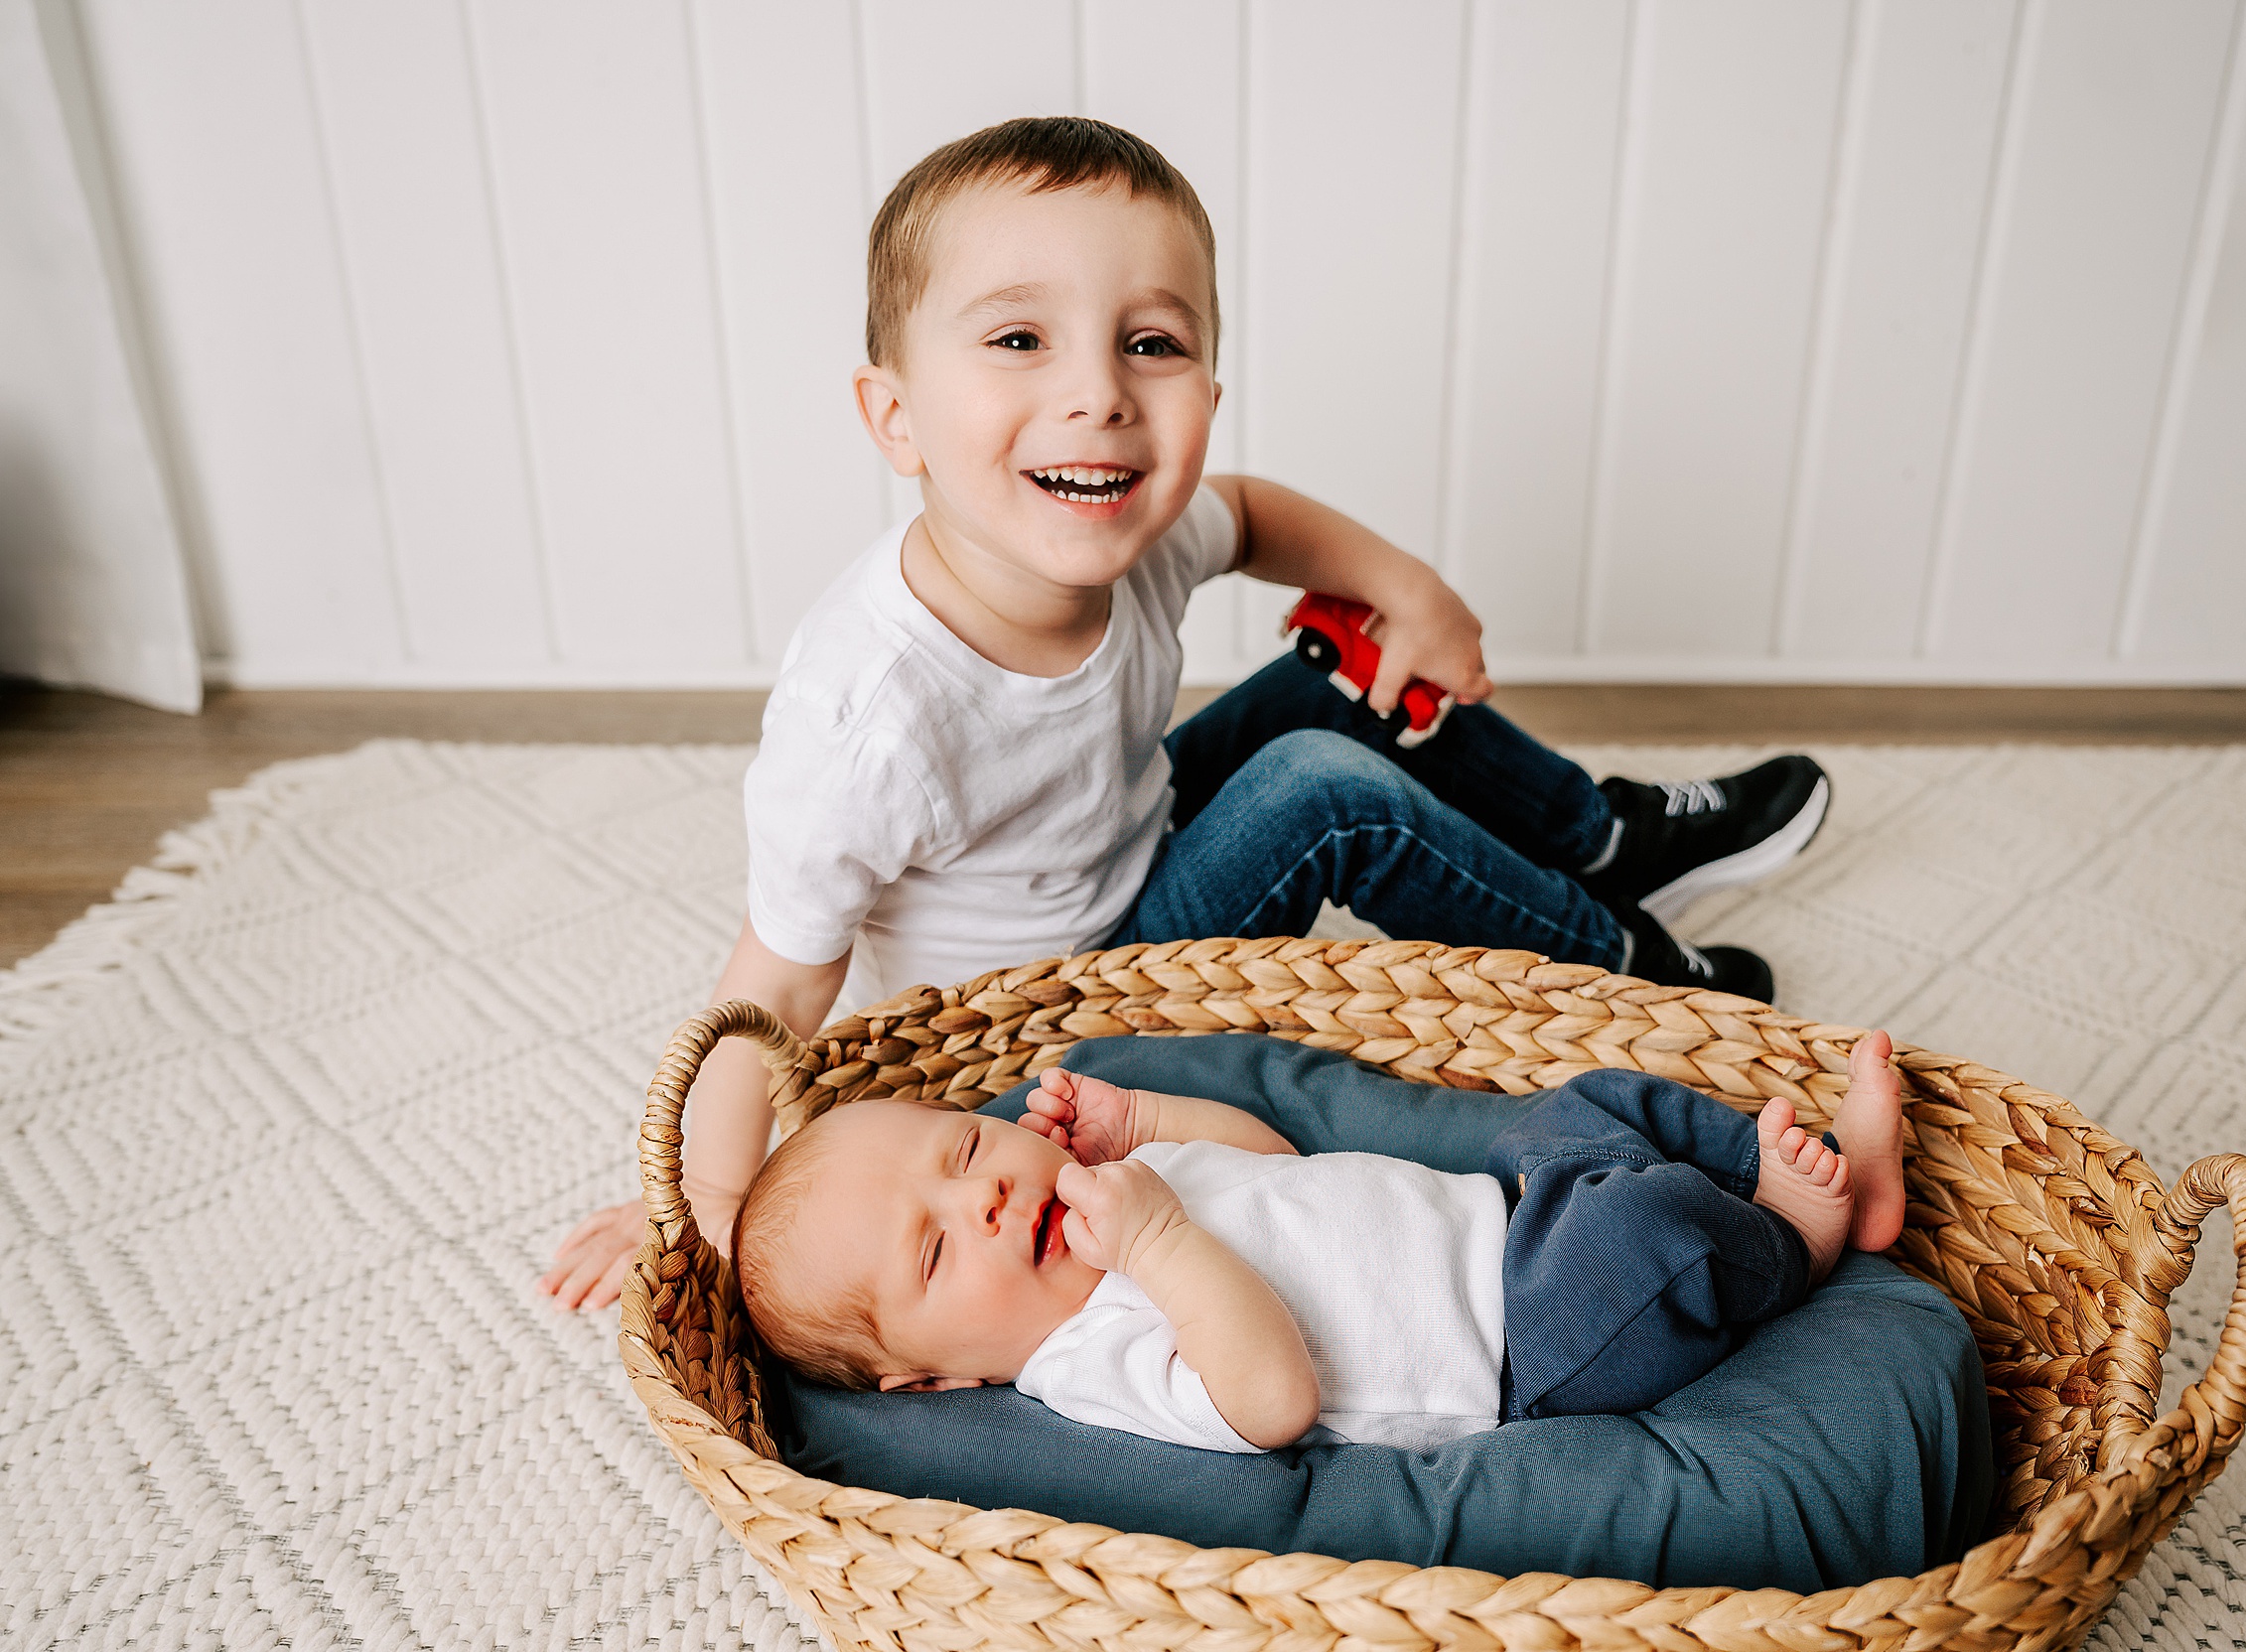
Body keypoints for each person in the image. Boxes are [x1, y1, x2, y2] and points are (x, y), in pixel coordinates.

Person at [541, 116, 1830, 1310]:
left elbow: (1261, 516)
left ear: (1206, 390)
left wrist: (1410, 590)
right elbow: (769, 982)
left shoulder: (1122, 515)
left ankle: (1598, 833)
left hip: (1132, 834)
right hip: (1057, 1010)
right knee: (1320, 791)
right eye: (1017, 339)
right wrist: (705, 1199)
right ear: (897, 417)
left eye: (1150, 343)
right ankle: (1635, 972)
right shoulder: (871, 713)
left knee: (1347, 662)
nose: (1099, 392)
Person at [730, 1032, 1908, 1451]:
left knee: (1593, 1099)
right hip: (1518, 1338)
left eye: (966, 1152)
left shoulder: (1116, 1183)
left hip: (1495, 1212)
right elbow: (1270, 1396)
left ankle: (1766, 1167)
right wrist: (1156, 1244)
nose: (983, 1199)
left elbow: (1268, 1165)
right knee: (1652, 1237)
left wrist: (1141, 1122)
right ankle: (1805, 1238)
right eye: (936, 1254)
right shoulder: (1084, 1356)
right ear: (932, 1376)